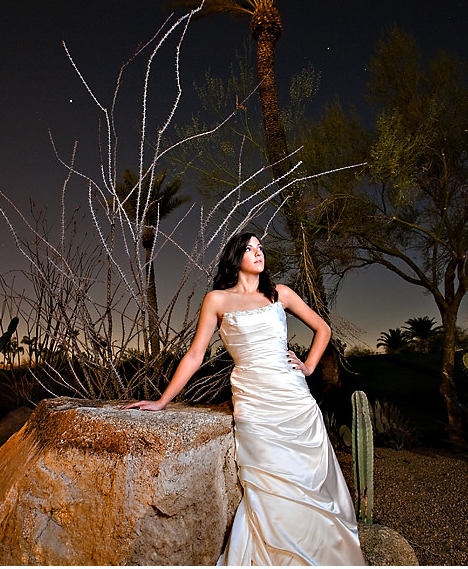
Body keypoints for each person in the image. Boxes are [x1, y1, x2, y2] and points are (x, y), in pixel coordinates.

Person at [123, 232, 366, 566]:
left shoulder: (280, 293)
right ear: (235, 258)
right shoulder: (217, 301)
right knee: (269, 480)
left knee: (307, 478)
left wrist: (308, 366)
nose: (258, 253)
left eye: (261, 248)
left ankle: (319, 550)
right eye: (250, 248)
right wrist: (162, 401)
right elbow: (195, 355)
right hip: (253, 402)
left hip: (293, 398)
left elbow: (322, 329)